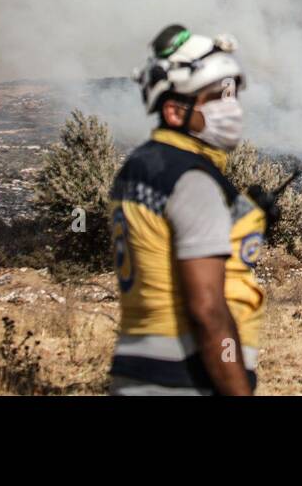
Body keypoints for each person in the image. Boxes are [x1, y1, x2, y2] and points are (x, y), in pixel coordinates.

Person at [108, 24, 266, 395]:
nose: (232, 108)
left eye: (233, 94)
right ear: (176, 112)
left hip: (136, 374)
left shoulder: (139, 167)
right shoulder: (192, 181)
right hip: (186, 379)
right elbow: (208, 311)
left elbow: (169, 246)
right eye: (217, 97)